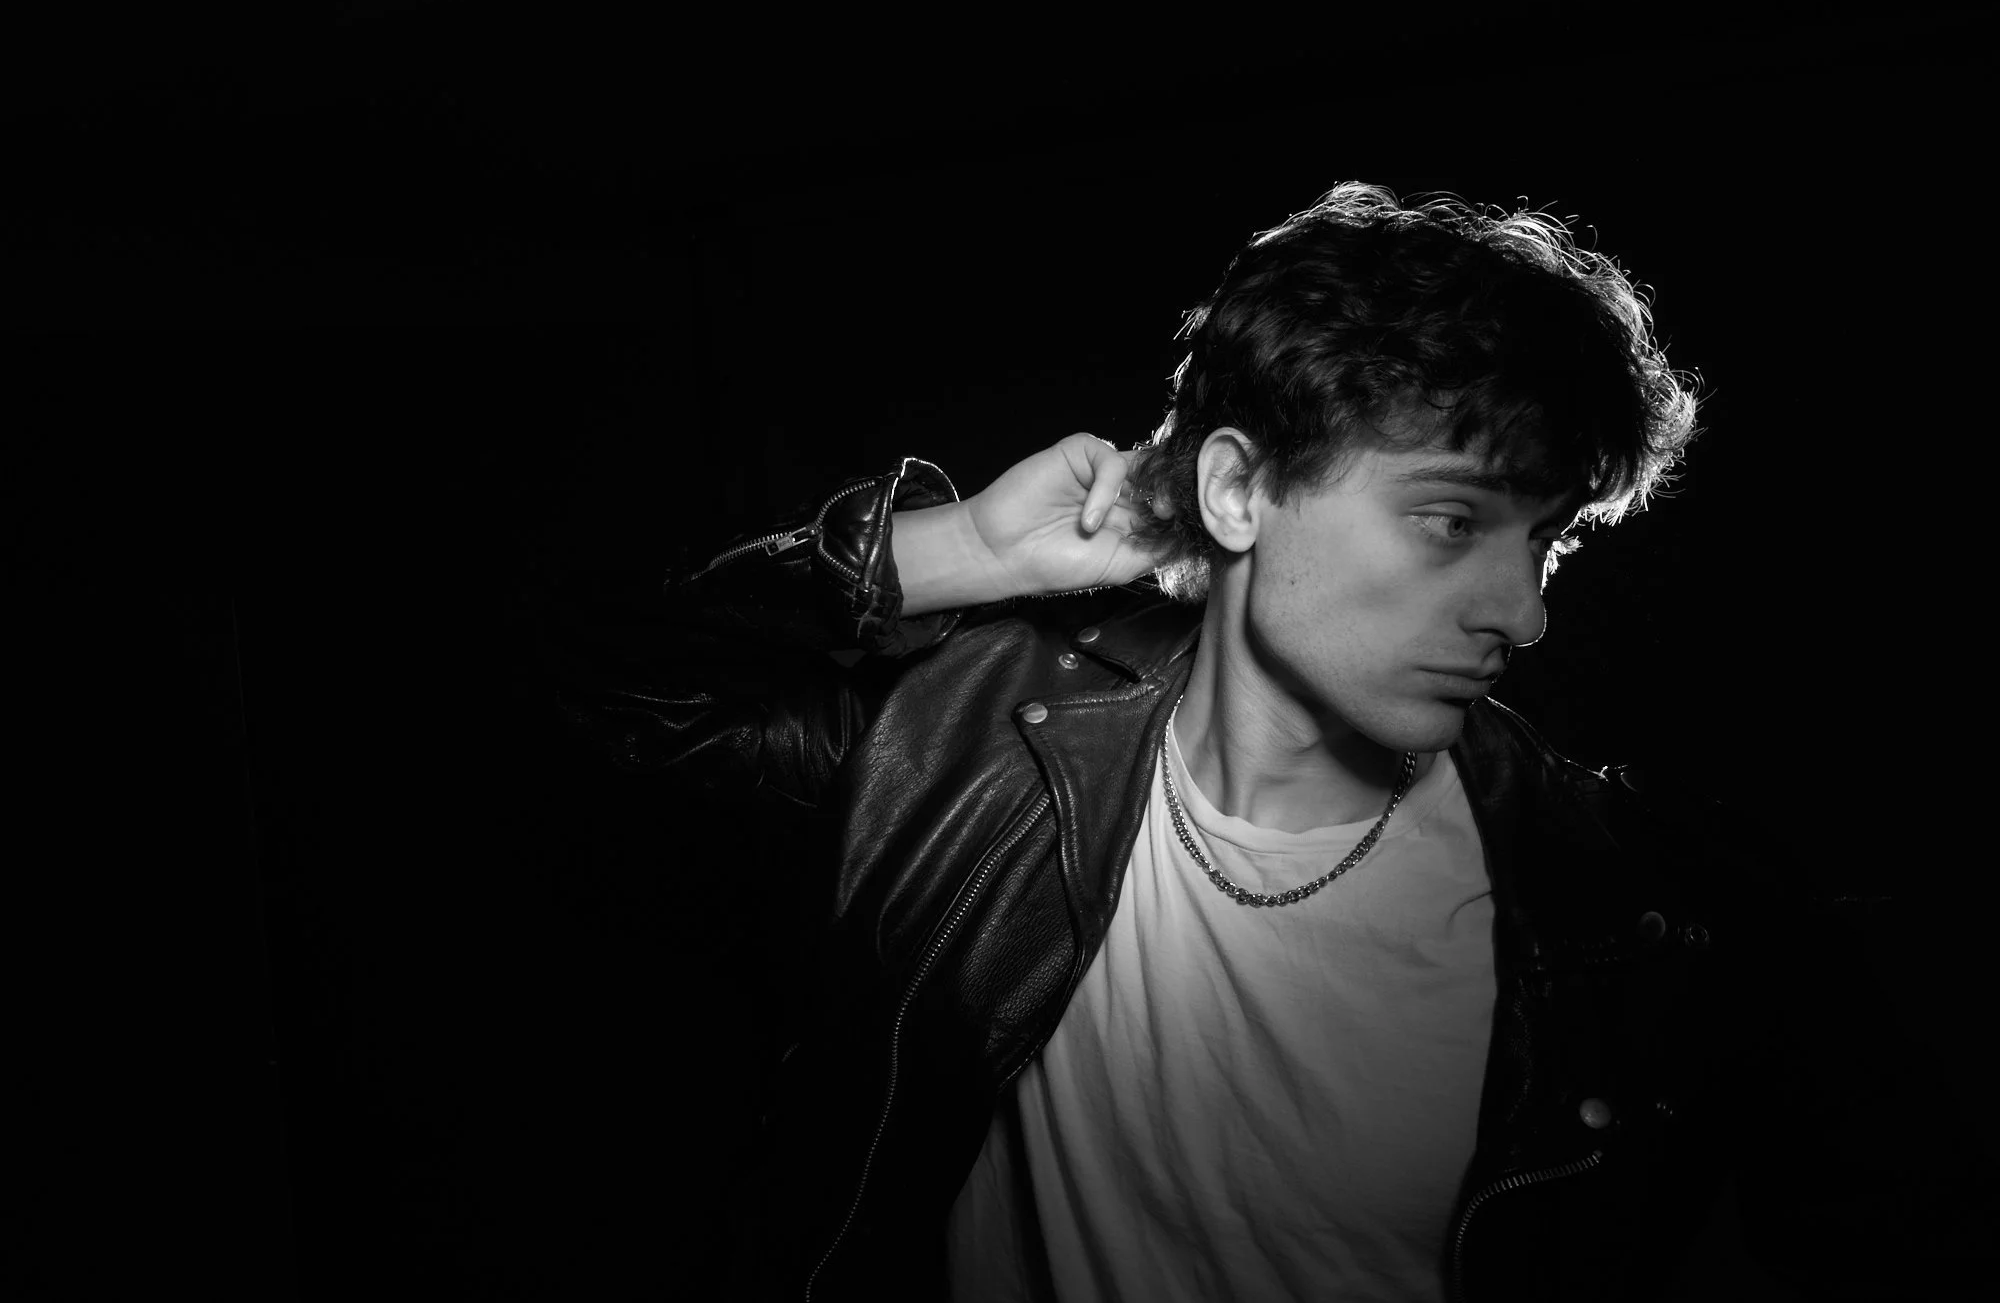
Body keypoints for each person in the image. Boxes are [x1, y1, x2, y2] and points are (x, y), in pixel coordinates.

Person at [533, 184, 1985, 1300]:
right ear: (1237, 490)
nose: (1521, 617)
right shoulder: (960, 762)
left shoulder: (1652, 908)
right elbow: (563, 700)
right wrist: (957, 549)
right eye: (1450, 521)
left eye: (1546, 539)